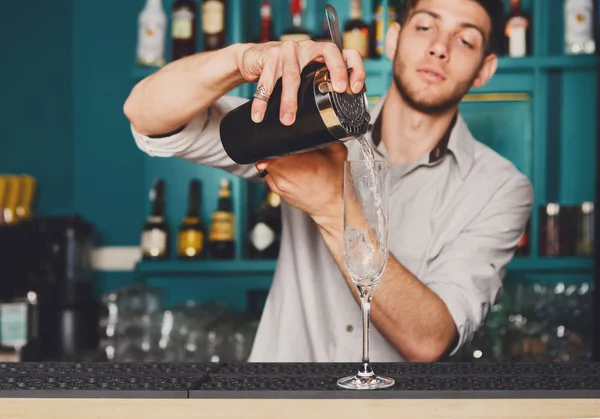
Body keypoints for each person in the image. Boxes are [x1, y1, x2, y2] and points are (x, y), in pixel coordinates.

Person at [124, 0, 533, 362]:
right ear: (392, 40)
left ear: (485, 69)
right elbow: (146, 114)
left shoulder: (500, 188)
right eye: (425, 26)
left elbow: (430, 341)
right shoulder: (308, 129)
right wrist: (243, 59)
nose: (439, 47)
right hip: (278, 404)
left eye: (465, 41)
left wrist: (333, 206)